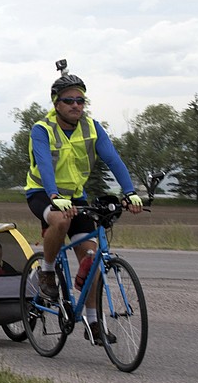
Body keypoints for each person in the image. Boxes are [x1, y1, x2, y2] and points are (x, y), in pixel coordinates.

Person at [25, 63, 143, 345]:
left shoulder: (92, 128)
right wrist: (54, 196)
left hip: (75, 196)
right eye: (69, 100)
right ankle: (47, 272)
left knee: (91, 261)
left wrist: (129, 191)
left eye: (80, 100)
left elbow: (113, 159)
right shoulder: (43, 129)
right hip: (43, 192)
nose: (76, 105)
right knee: (60, 220)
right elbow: (44, 164)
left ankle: (93, 323)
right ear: (57, 103)